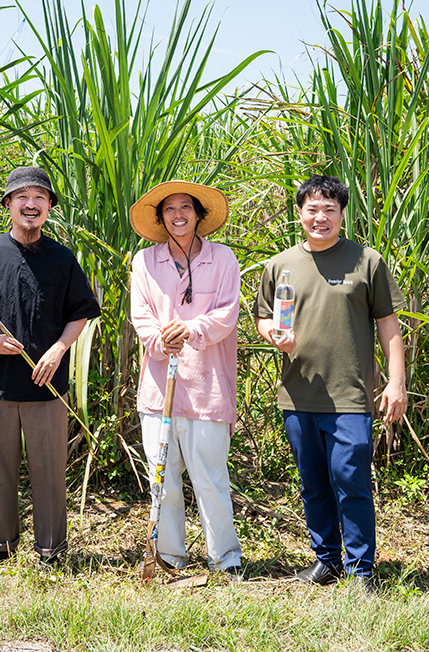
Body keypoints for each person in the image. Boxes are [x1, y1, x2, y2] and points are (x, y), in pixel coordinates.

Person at [253, 174, 407, 586]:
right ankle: (327, 560)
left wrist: (396, 383)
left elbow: (389, 327)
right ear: (299, 212)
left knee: (351, 480)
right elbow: (263, 317)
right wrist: (273, 335)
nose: (320, 218)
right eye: (312, 209)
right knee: (314, 485)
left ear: (342, 214)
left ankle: (362, 571)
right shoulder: (280, 264)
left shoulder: (366, 261)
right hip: (298, 393)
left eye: (329, 210)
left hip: (349, 395)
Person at [0, 166, 100, 565]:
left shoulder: (61, 258)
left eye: (40, 197)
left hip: (48, 386)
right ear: (7, 205)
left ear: (50, 207)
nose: (31, 204)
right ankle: (0, 547)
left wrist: (58, 350)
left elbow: (80, 312)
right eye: (22, 196)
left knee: (50, 470)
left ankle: (51, 550)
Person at [128, 180, 244, 577]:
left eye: (185, 208)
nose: (178, 215)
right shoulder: (144, 262)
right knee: (163, 477)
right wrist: (162, 339)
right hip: (159, 388)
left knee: (211, 477)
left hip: (208, 386)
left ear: (198, 214)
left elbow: (227, 314)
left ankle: (225, 559)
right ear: (161, 218)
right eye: (169, 209)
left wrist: (191, 331)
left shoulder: (224, 258)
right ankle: (169, 557)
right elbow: (140, 315)